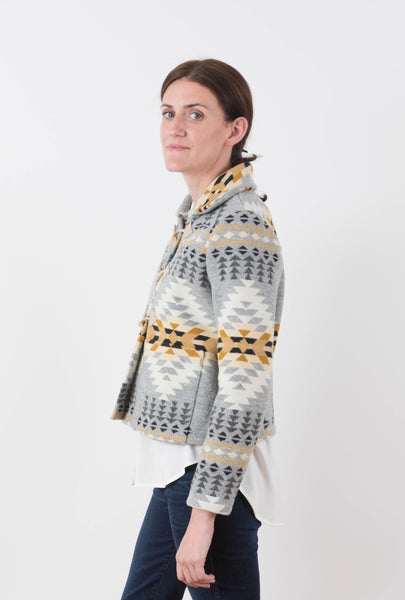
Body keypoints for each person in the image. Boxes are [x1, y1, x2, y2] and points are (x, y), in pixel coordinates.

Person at [111, 58, 286, 599]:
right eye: (168, 113)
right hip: (178, 468)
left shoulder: (238, 225)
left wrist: (206, 511)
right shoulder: (198, 215)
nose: (175, 127)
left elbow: (245, 380)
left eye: (195, 114)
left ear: (235, 130)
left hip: (207, 478)